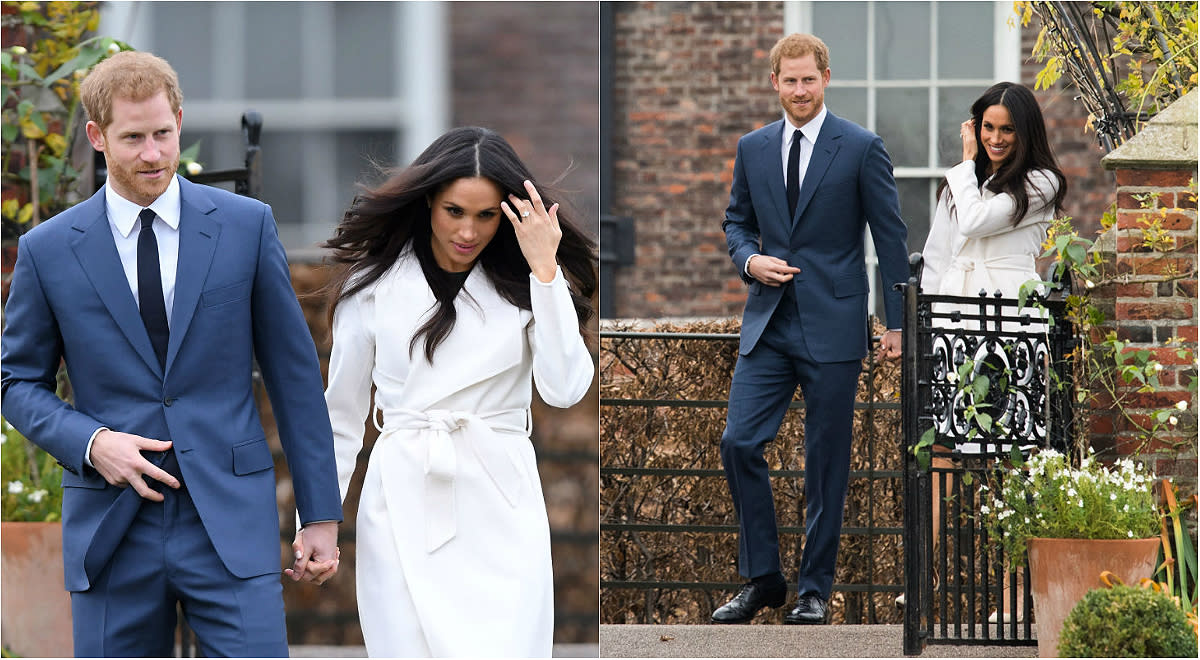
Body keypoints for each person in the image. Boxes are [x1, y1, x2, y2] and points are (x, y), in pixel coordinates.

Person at [0, 51, 343, 656]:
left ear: (179, 122)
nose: (154, 154)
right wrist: (90, 442)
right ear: (97, 137)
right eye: (133, 138)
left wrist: (319, 515)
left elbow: (295, 379)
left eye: (163, 133)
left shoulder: (246, 226)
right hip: (111, 528)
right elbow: (16, 383)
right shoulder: (48, 250)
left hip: (230, 523)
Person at [317, 126, 597, 656]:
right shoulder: (372, 288)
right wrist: (320, 520)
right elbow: (341, 417)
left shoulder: (529, 286)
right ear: (427, 202)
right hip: (403, 492)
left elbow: (563, 389)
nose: (468, 230)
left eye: (486, 215)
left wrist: (545, 269)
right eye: (454, 211)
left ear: (508, 214)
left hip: (501, 499)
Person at [712, 33, 909, 626]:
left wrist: (896, 323)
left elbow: (891, 238)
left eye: (809, 79)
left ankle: (814, 591)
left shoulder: (861, 147)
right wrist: (750, 260)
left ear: (826, 78)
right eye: (789, 80)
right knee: (738, 442)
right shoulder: (752, 148)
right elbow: (736, 222)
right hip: (769, 323)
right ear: (774, 83)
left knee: (826, 463)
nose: (799, 90)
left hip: (835, 322)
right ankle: (765, 579)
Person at [915, 81, 1066, 621]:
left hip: (1008, 331)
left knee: (1010, 462)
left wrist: (963, 163)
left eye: (1006, 129)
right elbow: (936, 255)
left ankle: (1011, 602)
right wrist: (929, 324)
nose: (995, 138)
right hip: (955, 326)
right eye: (987, 127)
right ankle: (923, 596)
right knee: (941, 457)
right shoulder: (961, 187)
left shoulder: (1042, 182)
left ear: (1023, 133)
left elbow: (980, 221)